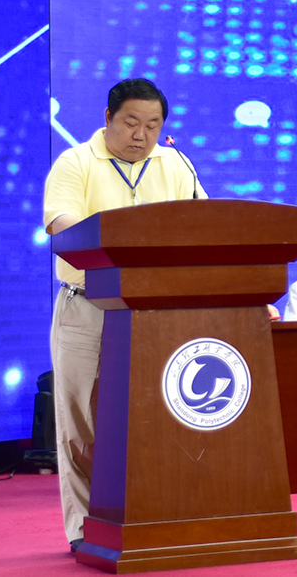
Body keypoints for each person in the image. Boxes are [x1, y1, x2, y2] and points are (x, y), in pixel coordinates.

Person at [42, 79, 205, 553]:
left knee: (158, 416)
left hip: (156, 312)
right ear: (108, 117)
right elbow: (61, 226)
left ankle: (154, 517)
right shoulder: (76, 162)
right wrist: (125, 247)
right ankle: (84, 528)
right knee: (81, 423)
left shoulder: (176, 165)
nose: (141, 135)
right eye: (131, 122)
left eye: (153, 125)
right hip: (87, 305)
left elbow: (207, 225)